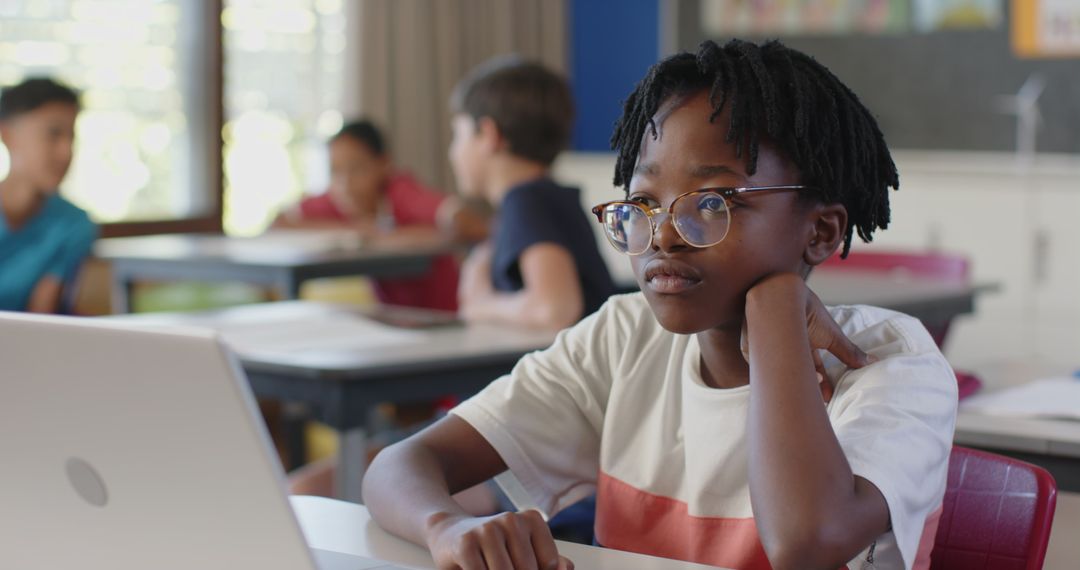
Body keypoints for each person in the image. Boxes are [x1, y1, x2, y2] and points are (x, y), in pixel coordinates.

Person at [362, 39, 957, 570]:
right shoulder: (624, 339)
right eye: (642, 203)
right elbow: (400, 466)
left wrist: (777, 310)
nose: (664, 235)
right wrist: (448, 527)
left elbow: (805, 543)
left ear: (821, 233)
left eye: (713, 203)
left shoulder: (892, 367)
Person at [448, 57, 615, 331]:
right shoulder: (538, 198)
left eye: (458, 134)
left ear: (489, 135)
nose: (452, 151)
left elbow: (555, 309)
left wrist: (481, 303)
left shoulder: (525, 201)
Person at [275, 119, 483, 311]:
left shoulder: (401, 192)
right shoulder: (335, 198)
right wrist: (356, 231)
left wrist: (382, 235)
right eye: (335, 171)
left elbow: (465, 222)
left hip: (445, 316)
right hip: (396, 319)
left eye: (356, 169)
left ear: (383, 164)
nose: (345, 183)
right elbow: (279, 223)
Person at [0, 77, 97, 313]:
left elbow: (42, 317)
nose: (66, 152)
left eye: (71, 137)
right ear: (7, 135)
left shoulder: (74, 225)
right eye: (53, 134)